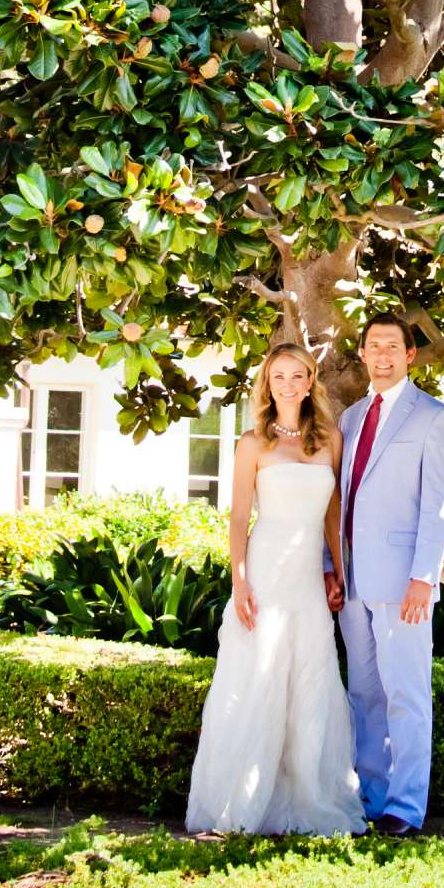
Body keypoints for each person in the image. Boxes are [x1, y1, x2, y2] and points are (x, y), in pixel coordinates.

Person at [185, 342, 365, 836]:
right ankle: (243, 800)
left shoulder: (329, 439)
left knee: (310, 679)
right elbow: (240, 516)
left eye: (297, 376)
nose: (288, 384)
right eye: (278, 376)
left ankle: (308, 795)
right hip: (265, 571)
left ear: (310, 382)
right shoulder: (252, 443)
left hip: (308, 576)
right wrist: (239, 581)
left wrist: (338, 570)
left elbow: (333, 512)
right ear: (268, 384)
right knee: (256, 679)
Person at [335, 314, 444, 837]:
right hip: (353, 580)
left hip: (403, 581)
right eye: (373, 346)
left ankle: (406, 810)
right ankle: (372, 799)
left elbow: (440, 505)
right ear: (362, 354)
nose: (382, 354)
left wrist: (423, 578)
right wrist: (331, 568)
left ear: (410, 355)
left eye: (392, 346)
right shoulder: (350, 418)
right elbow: (338, 500)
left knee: (407, 694)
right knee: (364, 695)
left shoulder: (434, 416)